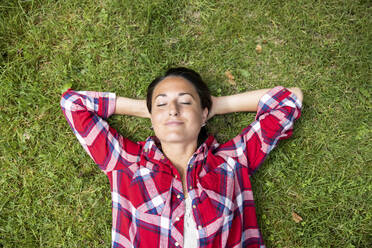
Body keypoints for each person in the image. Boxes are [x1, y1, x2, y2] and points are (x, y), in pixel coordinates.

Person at [60, 67, 303, 248]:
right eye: (162, 103)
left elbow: (290, 100)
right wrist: (154, 111)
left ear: (203, 114)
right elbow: (74, 104)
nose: (173, 109)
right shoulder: (127, 162)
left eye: (185, 102)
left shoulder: (233, 161)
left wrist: (214, 106)